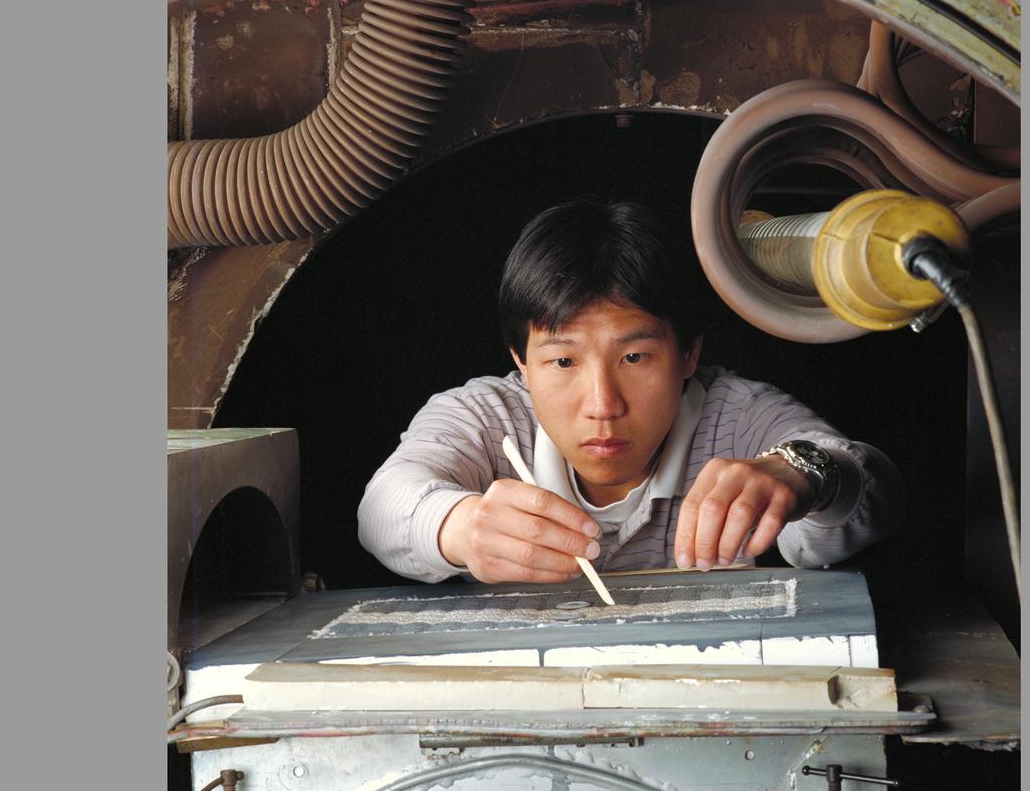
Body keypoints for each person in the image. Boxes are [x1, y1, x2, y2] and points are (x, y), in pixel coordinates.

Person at [358, 199, 903, 584]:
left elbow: (874, 494)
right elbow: (381, 510)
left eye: (635, 357)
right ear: (521, 360)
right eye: (563, 361)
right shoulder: (486, 418)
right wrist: (460, 527)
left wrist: (805, 474)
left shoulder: (735, 417)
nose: (603, 405)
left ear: (689, 353)